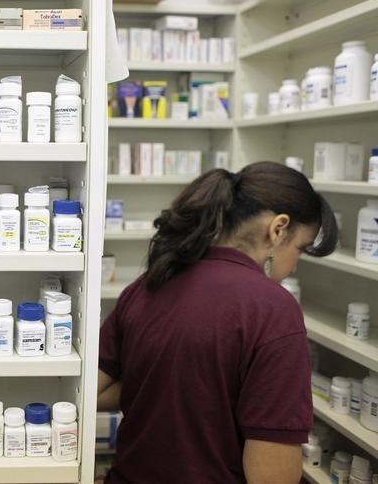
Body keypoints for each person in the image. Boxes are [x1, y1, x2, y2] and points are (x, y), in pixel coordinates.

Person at [97, 162, 338, 484]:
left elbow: (93, 393)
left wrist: (169, 381)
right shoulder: (273, 309)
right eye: (301, 249)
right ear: (278, 229)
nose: (294, 266)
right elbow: (270, 477)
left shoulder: (147, 284)